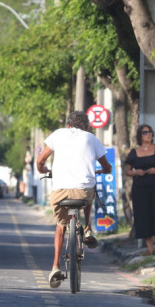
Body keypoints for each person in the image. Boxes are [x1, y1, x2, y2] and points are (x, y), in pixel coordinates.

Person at [37, 111, 112, 288]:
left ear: (68, 125)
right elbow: (106, 166)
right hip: (82, 192)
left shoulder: (58, 134)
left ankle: (55, 266)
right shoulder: (91, 138)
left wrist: (43, 170)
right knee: (89, 191)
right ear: (86, 126)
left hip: (60, 193)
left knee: (60, 226)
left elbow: (41, 160)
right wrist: (105, 171)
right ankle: (87, 228)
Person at [125, 124, 155, 255]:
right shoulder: (134, 152)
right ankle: (150, 248)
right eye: (145, 132)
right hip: (140, 189)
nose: (148, 134)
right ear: (140, 135)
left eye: (150, 132)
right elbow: (127, 171)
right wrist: (136, 172)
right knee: (143, 216)